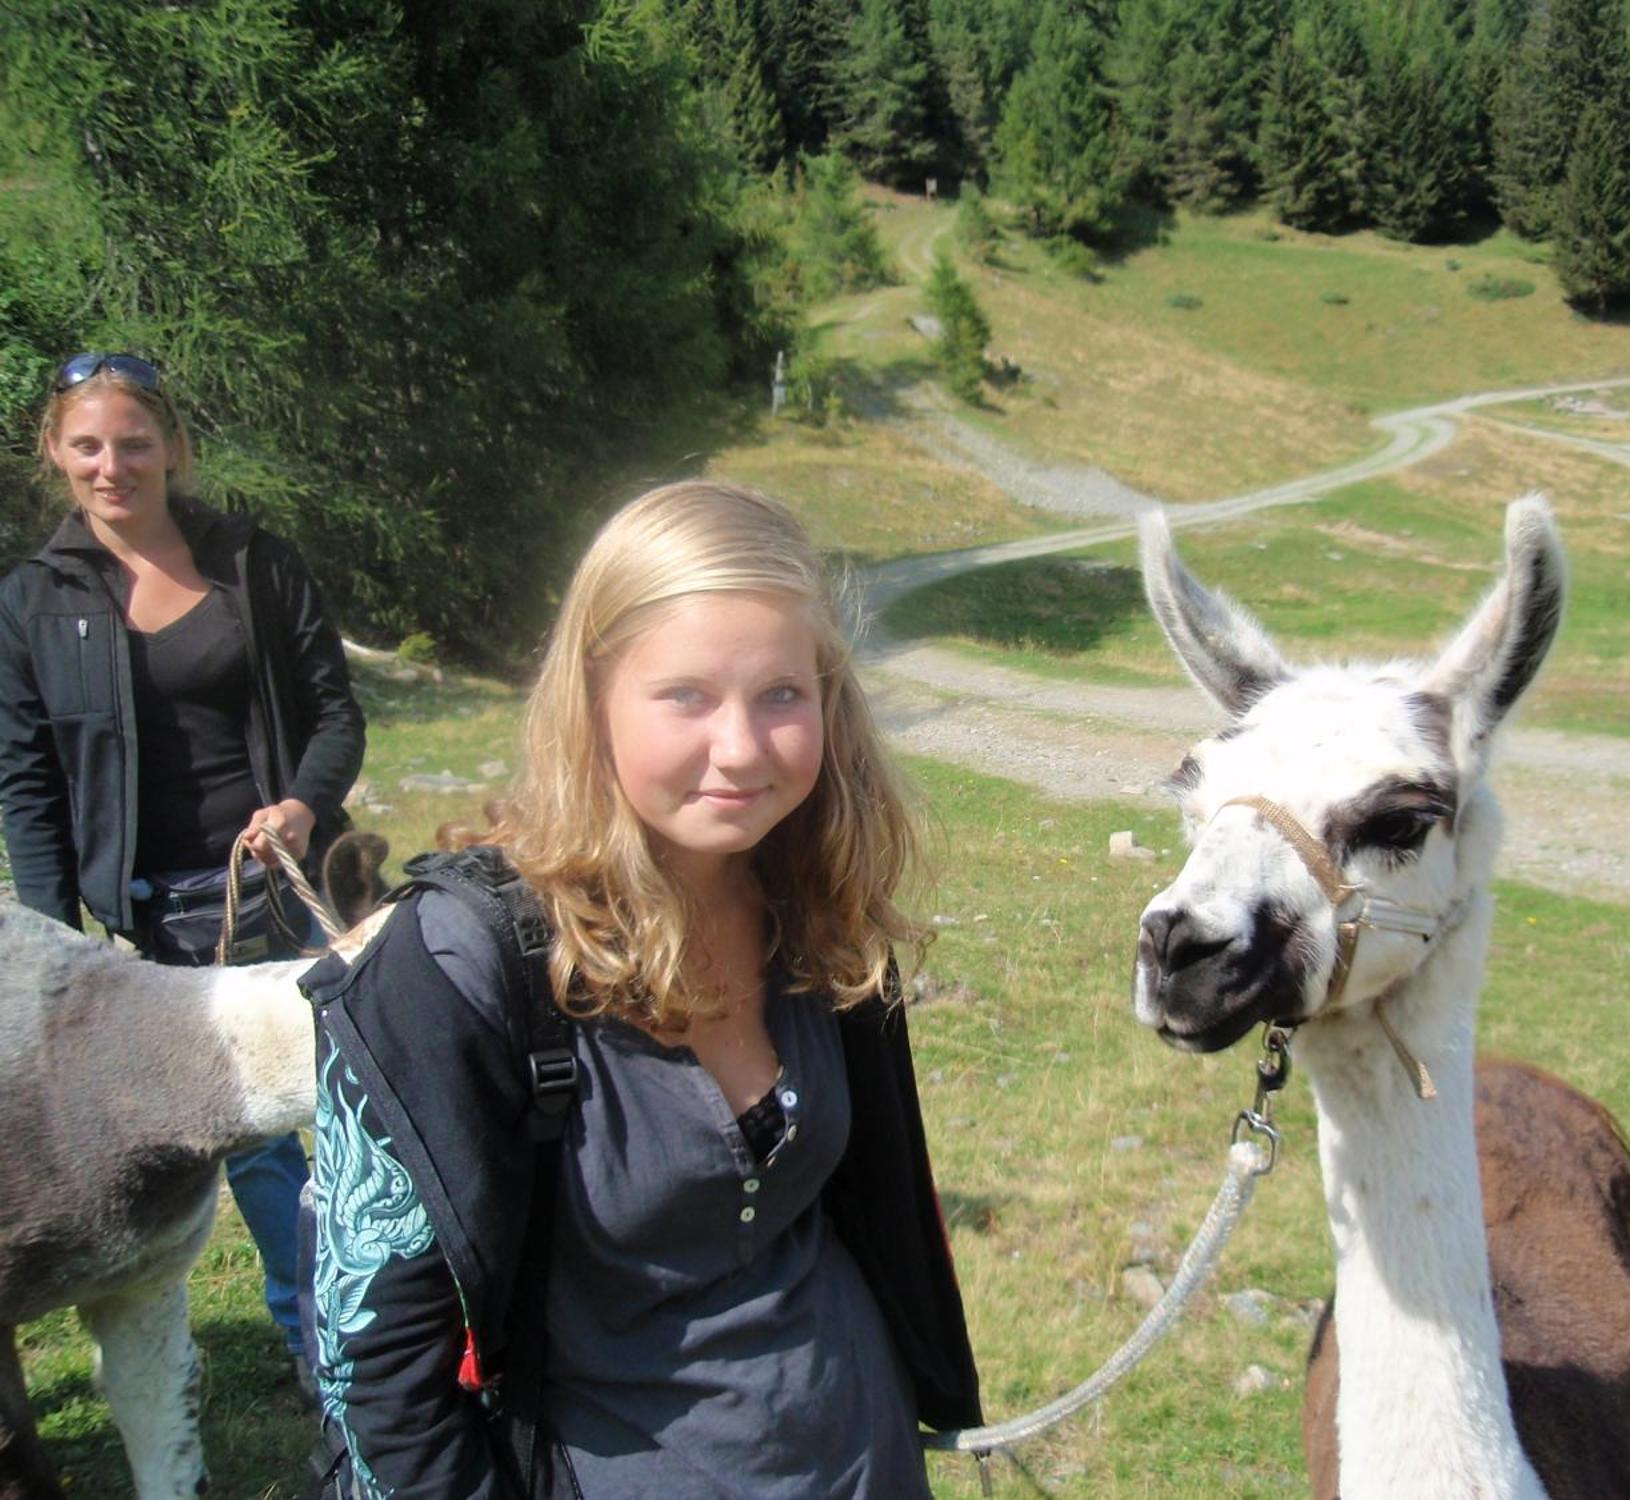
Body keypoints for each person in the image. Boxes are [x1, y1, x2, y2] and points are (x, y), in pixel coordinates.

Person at [305, 481, 981, 1498]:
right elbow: (377, 1374)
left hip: (862, 1455)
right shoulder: (458, 966)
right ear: (590, 701)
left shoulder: (818, 909)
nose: (742, 750)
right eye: (686, 696)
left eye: (782, 695)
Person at [0, 351, 366, 1381]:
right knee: (247, 1139)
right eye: (87, 447)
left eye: (133, 443)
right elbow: (26, 778)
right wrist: (54, 941)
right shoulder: (32, 599)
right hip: (159, 914)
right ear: (56, 456)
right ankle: (311, 1339)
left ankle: (382, 1307)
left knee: (349, 1095)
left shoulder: (255, 561)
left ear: (173, 449)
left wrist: (301, 804)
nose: (111, 466)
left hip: (289, 880)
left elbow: (335, 712)